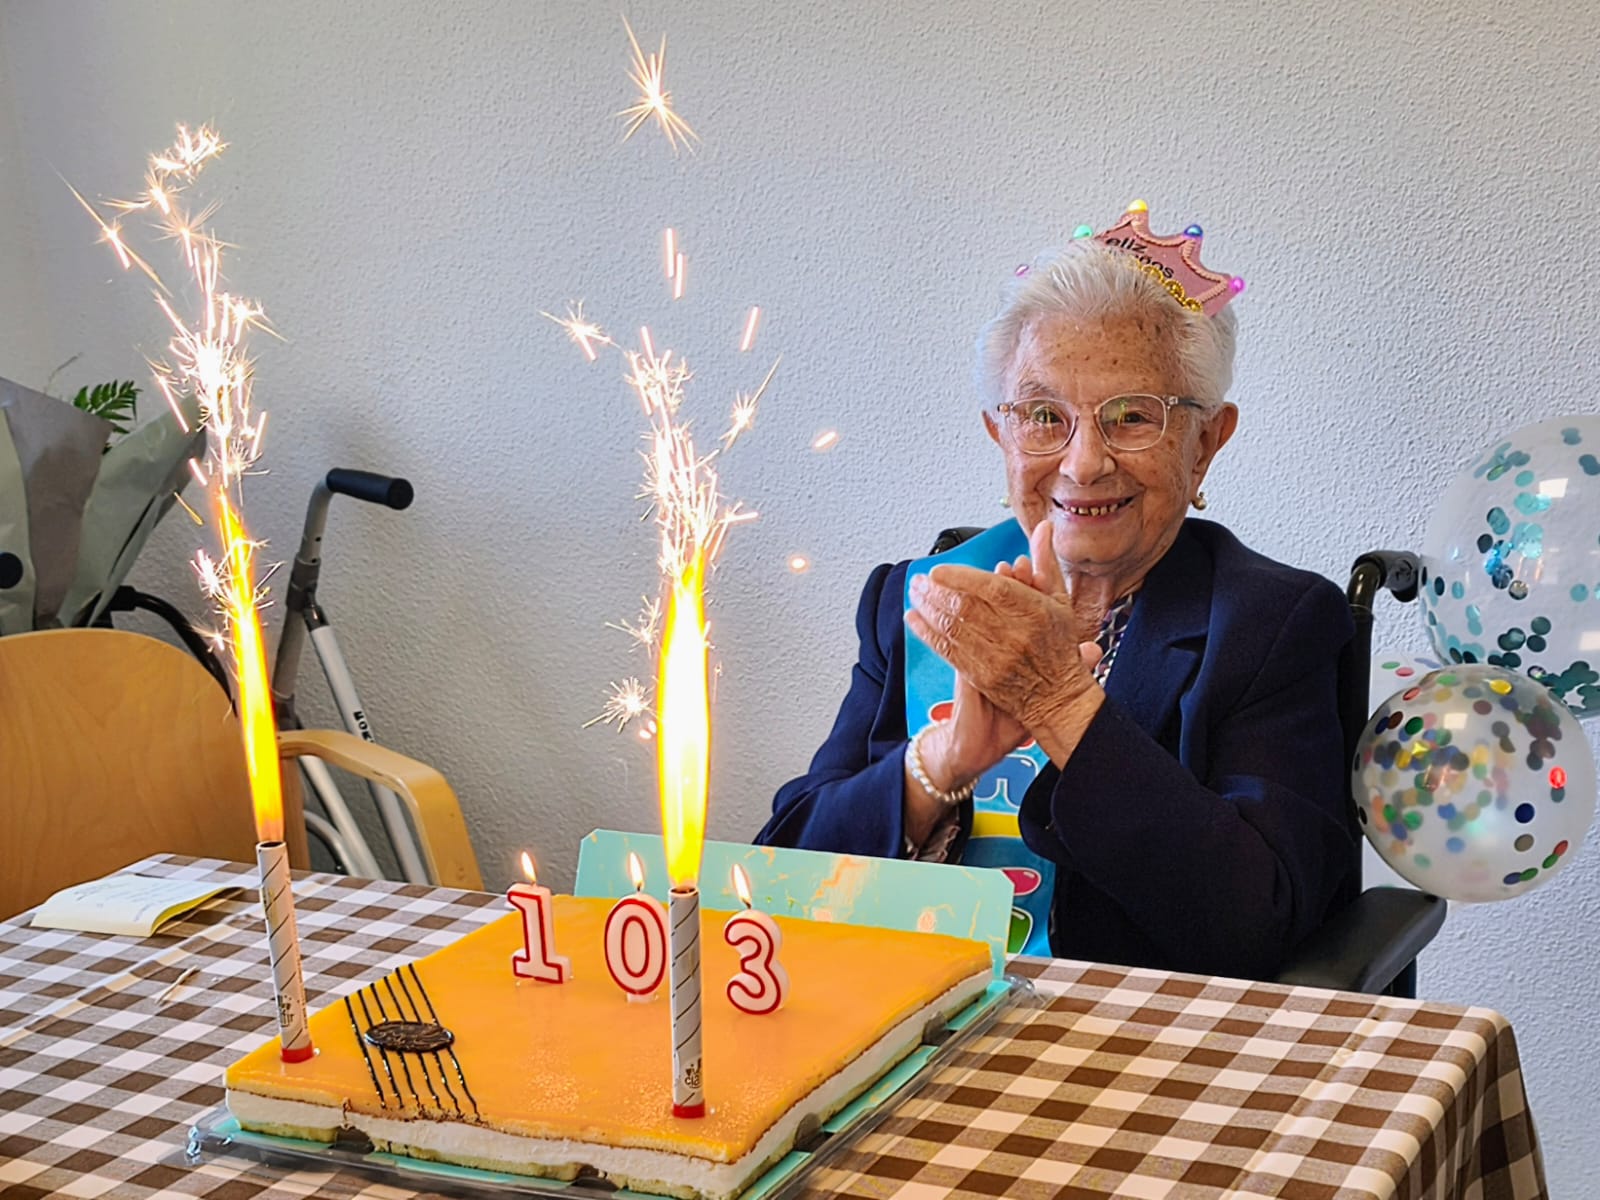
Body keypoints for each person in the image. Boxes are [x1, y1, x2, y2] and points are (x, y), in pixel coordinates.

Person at [755, 210, 1358, 979]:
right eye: (1045, 417)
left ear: (1206, 441)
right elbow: (780, 888)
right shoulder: (920, 603)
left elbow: (1257, 924)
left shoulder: (1270, 626)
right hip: (900, 1033)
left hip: (1127, 1053)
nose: (1083, 464)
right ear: (1000, 435)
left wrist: (1061, 704)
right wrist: (944, 761)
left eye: (1132, 418)